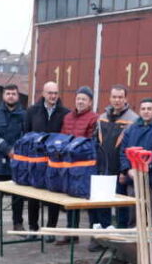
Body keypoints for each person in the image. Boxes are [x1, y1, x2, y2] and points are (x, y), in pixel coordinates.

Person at [23, 81, 69, 242]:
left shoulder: (65, 113)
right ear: (43, 94)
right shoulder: (32, 112)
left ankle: (51, 229)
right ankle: (33, 229)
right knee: (33, 196)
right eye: (50, 93)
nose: (53, 96)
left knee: (53, 197)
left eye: (55, 93)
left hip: (55, 162)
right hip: (36, 161)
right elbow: (26, 135)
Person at [56, 86, 99, 245]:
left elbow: (90, 143)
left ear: (90, 102)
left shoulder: (94, 119)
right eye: (78, 98)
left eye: (84, 99)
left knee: (84, 201)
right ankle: (71, 233)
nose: (80, 102)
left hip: (84, 166)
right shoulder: (67, 117)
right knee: (70, 199)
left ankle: (93, 237)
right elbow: (62, 138)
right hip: (68, 164)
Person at [119, 98, 152, 228]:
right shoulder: (131, 129)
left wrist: (143, 169)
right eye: (143, 109)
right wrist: (127, 170)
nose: (146, 112)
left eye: (149, 109)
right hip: (133, 180)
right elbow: (123, 152)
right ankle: (133, 246)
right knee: (133, 217)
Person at [0, 84, 26, 239]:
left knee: (19, 195)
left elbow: (26, 135)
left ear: (18, 96)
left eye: (13, 94)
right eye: (8, 93)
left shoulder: (24, 114)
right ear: (3, 96)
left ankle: (18, 223)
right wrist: (7, 149)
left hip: (17, 161)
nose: (10, 96)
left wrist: (17, 150)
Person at [95, 85, 138, 228]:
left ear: (126, 99)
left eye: (120, 97)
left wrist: (124, 170)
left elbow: (131, 148)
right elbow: (96, 143)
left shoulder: (133, 119)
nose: (117, 100)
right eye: (114, 97)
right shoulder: (102, 118)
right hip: (103, 170)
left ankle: (120, 236)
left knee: (121, 208)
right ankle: (103, 237)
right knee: (102, 205)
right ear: (110, 98)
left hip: (120, 172)